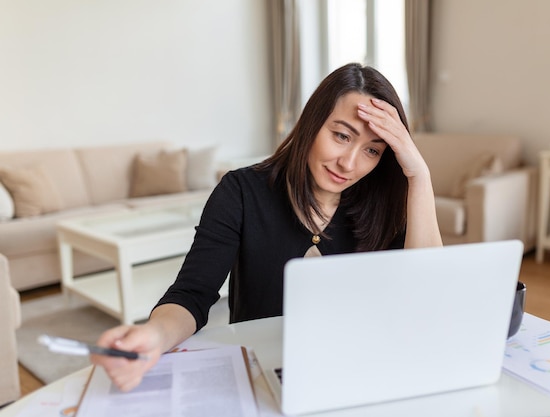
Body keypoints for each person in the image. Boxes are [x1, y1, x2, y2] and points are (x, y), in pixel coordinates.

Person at [91, 62, 442, 391]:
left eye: (372, 151)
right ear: (312, 122)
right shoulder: (242, 192)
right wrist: (154, 336)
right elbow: (192, 294)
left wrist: (420, 176)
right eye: (341, 135)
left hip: (356, 371)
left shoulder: (381, 204)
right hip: (261, 375)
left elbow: (426, 300)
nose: (348, 163)